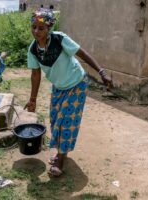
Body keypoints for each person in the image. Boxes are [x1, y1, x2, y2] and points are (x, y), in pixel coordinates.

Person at [25, 8, 113, 177]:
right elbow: (35, 74)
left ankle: (60, 158)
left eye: (41, 28)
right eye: (34, 27)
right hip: (58, 87)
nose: (36, 31)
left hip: (77, 84)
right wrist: (33, 100)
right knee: (56, 120)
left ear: (49, 28)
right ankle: (61, 152)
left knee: (67, 121)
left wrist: (101, 72)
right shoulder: (33, 50)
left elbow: (82, 53)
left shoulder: (59, 39)